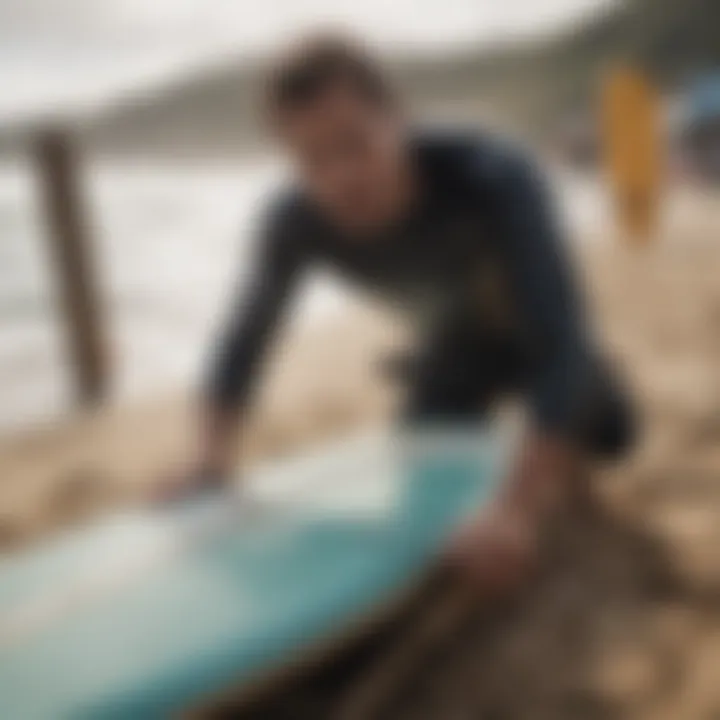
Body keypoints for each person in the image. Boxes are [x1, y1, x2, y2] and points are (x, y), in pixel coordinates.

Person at [169, 35, 634, 593]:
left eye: (355, 144)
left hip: (533, 332)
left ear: (397, 118)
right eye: (312, 160)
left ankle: (569, 434)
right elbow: (244, 339)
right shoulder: (294, 219)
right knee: (424, 487)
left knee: (614, 433)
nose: (341, 176)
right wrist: (209, 458)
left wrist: (515, 511)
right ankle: (515, 442)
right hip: (453, 346)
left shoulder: (493, 173)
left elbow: (558, 335)